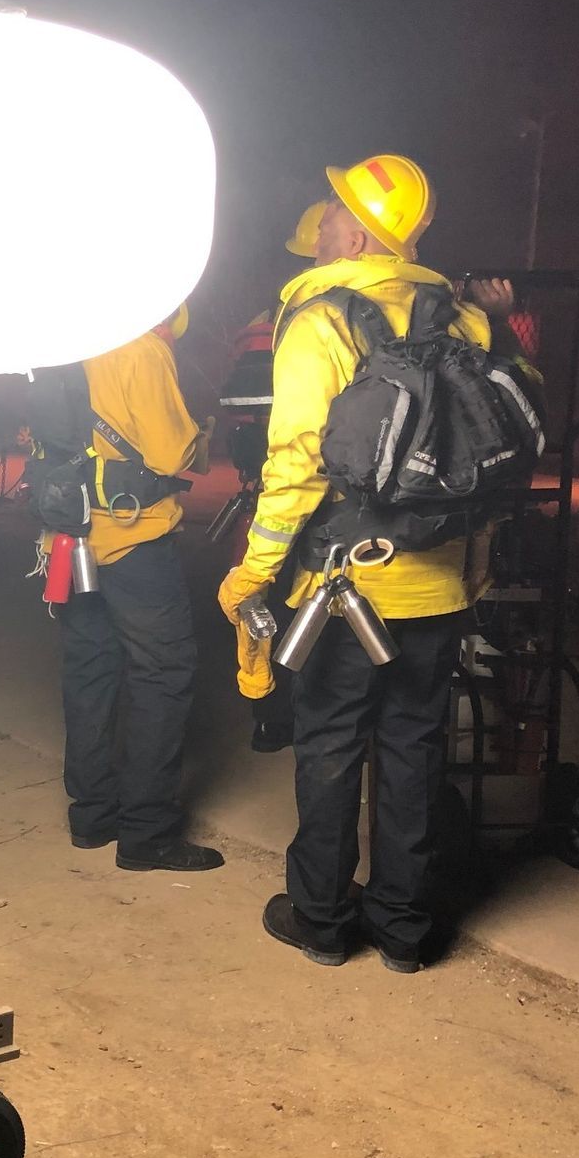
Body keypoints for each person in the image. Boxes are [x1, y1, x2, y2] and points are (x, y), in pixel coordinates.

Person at [219, 154, 488, 974]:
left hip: (342, 591)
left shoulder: (321, 323)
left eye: (333, 209)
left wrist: (255, 569)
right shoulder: (466, 323)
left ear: (362, 231)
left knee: (331, 745)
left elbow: (296, 460)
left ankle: (324, 921)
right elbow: (493, 447)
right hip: (437, 584)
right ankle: (405, 932)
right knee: (413, 749)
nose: (323, 220)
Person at [30, 307, 223, 874]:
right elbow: (168, 453)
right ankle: (147, 834)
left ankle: (92, 816)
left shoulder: (64, 340)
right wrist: (199, 433)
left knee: (90, 668)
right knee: (162, 674)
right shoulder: (140, 348)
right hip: (132, 536)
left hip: (68, 537)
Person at [215, 200, 331, 752]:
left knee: (258, 607)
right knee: (314, 612)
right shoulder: (340, 324)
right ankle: (306, 716)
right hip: (330, 503)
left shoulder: (259, 330)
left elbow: (240, 413)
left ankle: (268, 716)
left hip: (268, 493)